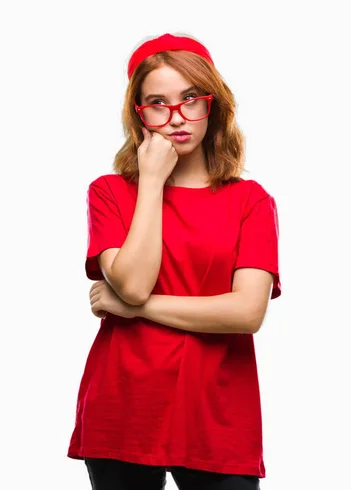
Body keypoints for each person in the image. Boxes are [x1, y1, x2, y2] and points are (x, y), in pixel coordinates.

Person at [67, 32, 281, 490]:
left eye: (190, 99)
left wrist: (137, 310)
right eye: (157, 104)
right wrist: (150, 180)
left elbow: (247, 312)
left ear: (213, 104)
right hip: (125, 404)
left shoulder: (251, 200)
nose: (177, 118)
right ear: (139, 115)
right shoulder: (109, 192)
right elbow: (134, 282)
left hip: (218, 410)